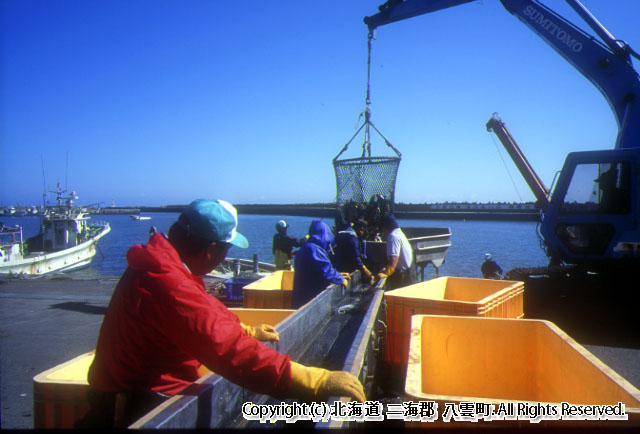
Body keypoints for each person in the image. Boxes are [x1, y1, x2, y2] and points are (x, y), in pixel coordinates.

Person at [79, 200, 364, 428]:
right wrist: (314, 380)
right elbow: (230, 351)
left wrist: (245, 330)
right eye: (226, 250)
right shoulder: (168, 284)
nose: (225, 257)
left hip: (135, 392)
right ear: (211, 250)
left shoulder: (160, 263)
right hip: (141, 407)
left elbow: (206, 309)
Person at [292, 220, 350, 309]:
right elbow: (326, 270)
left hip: (300, 299)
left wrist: (338, 274)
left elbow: (317, 270)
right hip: (311, 300)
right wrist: (340, 279)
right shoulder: (315, 249)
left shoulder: (305, 248)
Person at [377, 214, 416, 290]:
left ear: (385, 226)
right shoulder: (400, 234)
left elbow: (394, 258)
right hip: (409, 272)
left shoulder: (393, 236)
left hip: (403, 277)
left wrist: (387, 272)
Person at [332, 219, 372, 284]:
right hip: (344, 268)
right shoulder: (352, 239)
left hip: (336, 266)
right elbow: (356, 258)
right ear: (360, 229)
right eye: (364, 231)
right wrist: (366, 271)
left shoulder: (341, 234)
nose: (363, 233)